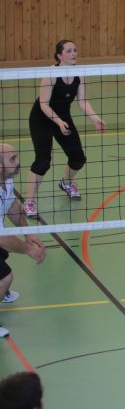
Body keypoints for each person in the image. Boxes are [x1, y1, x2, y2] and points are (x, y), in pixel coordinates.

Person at [24, 40, 107, 218]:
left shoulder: (79, 74)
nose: (73, 53)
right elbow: (44, 104)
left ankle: (66, 183)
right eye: (69, 51)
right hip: (41, 119)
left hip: (63, 117)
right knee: (43, 161)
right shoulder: (51, 75)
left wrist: (95, 118)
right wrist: (59, 123)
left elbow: (82, 102)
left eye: (75, 50)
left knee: (78, 158)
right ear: (59, 56)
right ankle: (29, 202)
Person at [0, 144, 48, 339]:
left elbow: (12, 205)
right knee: (5, 277)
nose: (18, 162)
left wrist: (27, 232)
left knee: (3, 254)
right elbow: (2, 239)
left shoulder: (6, 180)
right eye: (12, 159)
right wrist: (29, 249)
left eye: (17, 156)